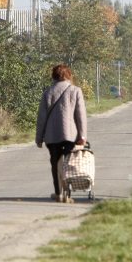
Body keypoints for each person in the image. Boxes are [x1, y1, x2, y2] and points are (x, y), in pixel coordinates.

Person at [35, 64, 87, 202]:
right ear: (68, 75)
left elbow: (42, 118)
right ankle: (67, 195)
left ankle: (58, 193)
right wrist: (82, 136)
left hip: (52, 136)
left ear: (54, 76)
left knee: (55, 163)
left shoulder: (48, 92)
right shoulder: (76, 91)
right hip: (70, 135)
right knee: (68, 164)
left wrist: (39, 137)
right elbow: (80, 115)